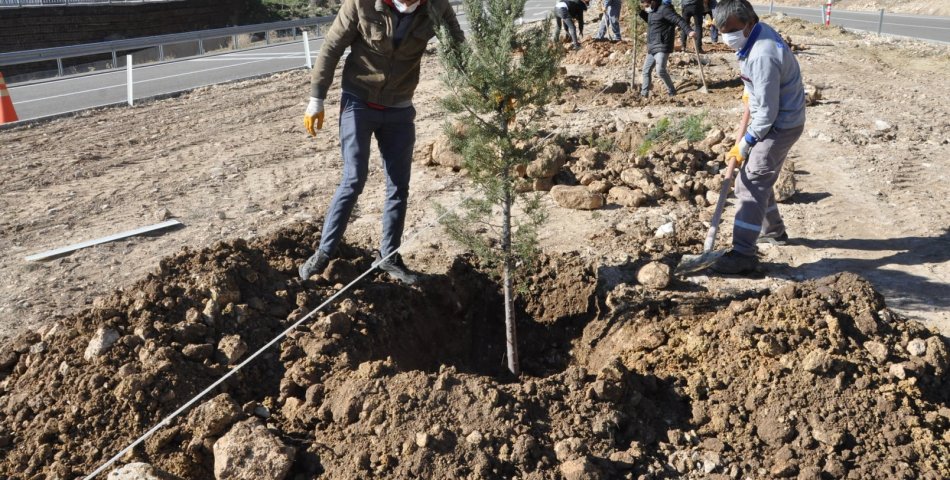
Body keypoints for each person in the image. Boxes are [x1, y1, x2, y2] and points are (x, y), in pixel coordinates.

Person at [298, 0, 465, 284]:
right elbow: (332, 47)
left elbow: (459, 48)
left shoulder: (436, 7)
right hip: (358, 102)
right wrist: (317, 98)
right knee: (354, 179)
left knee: (399, 185)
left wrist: (489, 90)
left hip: (400, 108)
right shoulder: (360, 3)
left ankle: (389, 257)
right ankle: (324, 253)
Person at [710, 0, 805, 274]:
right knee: (759, 175)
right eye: (722, 31)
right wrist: (750, 90)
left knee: (751, 181)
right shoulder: (756, 34)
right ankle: (773, 232)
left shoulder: (763, 54)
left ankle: (743, 254)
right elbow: (760, 87)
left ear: (749, 23)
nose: (728, 37)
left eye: (732, 30)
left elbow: (766, 114)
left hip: (781, 124)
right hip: (776, 116)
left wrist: (746, 143)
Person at [637, 0, 694, 97]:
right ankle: (644, 94)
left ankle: (672, 91)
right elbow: (652, 21)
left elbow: (678, 20)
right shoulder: (653, 11)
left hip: (662, 45)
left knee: (660, 70)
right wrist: (639, 11)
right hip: (652, 45)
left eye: (646, 4)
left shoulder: (664, 9)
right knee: (646, 70)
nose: (645, 6)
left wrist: (689, 31)